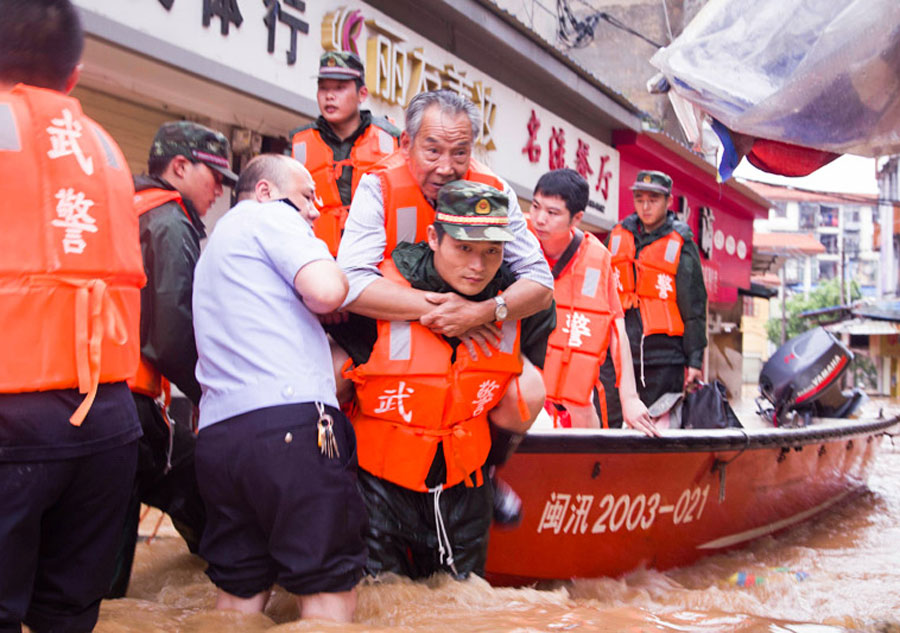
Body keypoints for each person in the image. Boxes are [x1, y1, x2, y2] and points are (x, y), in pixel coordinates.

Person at [336, 88, 554, 525]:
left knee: (529, 394)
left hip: (475, 326)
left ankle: (486, 473)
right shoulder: (378, 185)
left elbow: (541, 282)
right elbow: (351, 283)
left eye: (460, 152)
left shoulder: (494, 191)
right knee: (323, 377)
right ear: (406, 143)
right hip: (394, 321)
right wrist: (438, 309)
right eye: (432, 149)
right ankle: (335, 478)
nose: (446, 167)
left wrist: (481, 312)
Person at [0, 1, 145, 630]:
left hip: (12, 420)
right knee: (66, 618)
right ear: (74, 75)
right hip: (107, 422)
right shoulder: (105, 149)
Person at [330, 180, 552, 580]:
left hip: (463, 483)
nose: (478, 266)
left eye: (491, 252)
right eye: (464, 248)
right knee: (380, 608)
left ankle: (493, 480)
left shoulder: (516, 303)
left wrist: (485, 312)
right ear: (433, 237)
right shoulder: (377, 294)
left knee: (463, 610)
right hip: (379, 483)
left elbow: (526, 369)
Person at [192, 154, 367, 623]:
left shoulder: (216, 247)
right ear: (267, 191)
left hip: (219, 439)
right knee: (327, 583)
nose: (313, 211)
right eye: (307, 197)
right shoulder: (269, 216)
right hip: (288, 430)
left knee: (237, 591)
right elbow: (328, 290)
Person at [108, 121, 238, 597]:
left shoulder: (120, 206)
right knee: (107, 569)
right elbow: (171, 333)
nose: (220, 189)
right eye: (215, 176)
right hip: (127, 406)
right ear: (180, 167)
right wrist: (213, 394)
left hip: (84, 392)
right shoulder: (169, 219)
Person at [529, 169, 655, 434]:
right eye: (535, 206)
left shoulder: (598, 259)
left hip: (572, 397)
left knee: (585, 417)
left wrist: (630, 398)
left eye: (552, 213)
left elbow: (616, 327)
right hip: (522, 386)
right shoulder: (519, 240)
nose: (540, 219)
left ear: (576, 218)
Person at [606, 170, 707, 413]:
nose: (645, 206)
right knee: (607, 425)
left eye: (653, 200)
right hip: (619, 353)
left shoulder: (681, 242)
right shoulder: (618, 234)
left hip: (664, 357)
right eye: (639, 199)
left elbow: (693, 306)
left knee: (659, 428)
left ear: (668, 201)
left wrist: (694, 360)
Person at [291, 51, 400, 255]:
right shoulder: (299, 143)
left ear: (362, 94)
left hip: (375, 259)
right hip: (317, 258)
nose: (329, 96)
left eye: (340, 88)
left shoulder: (393, 139)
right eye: (323, 88)